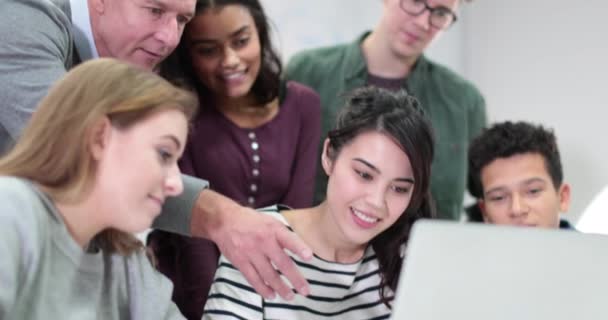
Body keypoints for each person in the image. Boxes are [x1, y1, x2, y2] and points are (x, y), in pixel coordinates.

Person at [0, 0, 311, 300]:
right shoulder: (23, 17)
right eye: (154, 10)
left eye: (182, 20)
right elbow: (70, 146)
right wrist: (220, 217)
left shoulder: (121, 263)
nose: (169, 38)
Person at [150, 0, 321, 318]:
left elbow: (295, 222)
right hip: (189, 302)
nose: (229, 61)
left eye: (241, 41)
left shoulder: (303, 106)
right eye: (207, 50)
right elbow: (194, 251)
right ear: (188, 54)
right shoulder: (177, 113)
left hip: (278, 299)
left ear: (261, 34)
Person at [202, 87, 435, 319]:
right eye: (364, 174)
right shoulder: (257, 240)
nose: (376, 202)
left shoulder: (410, 257)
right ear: (329, 155)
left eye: (399, 188)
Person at [0, 58, 198, 318]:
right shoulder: (11, 210)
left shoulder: (124, 262)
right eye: (164, 153)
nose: (175, 185)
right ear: (98, 137)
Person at [285, 0, 487, 220]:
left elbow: (489, 195)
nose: (422, 22)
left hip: (424, 251)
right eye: (416, 1)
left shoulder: (464, 101)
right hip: (313, 250)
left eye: (440, 13)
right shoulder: (307, 73)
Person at [467, 121, 574, 229]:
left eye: (533, 191)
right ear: (484, 212)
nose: (517, 209)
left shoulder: (589, 246)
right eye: (499, 198)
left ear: (562, 198)